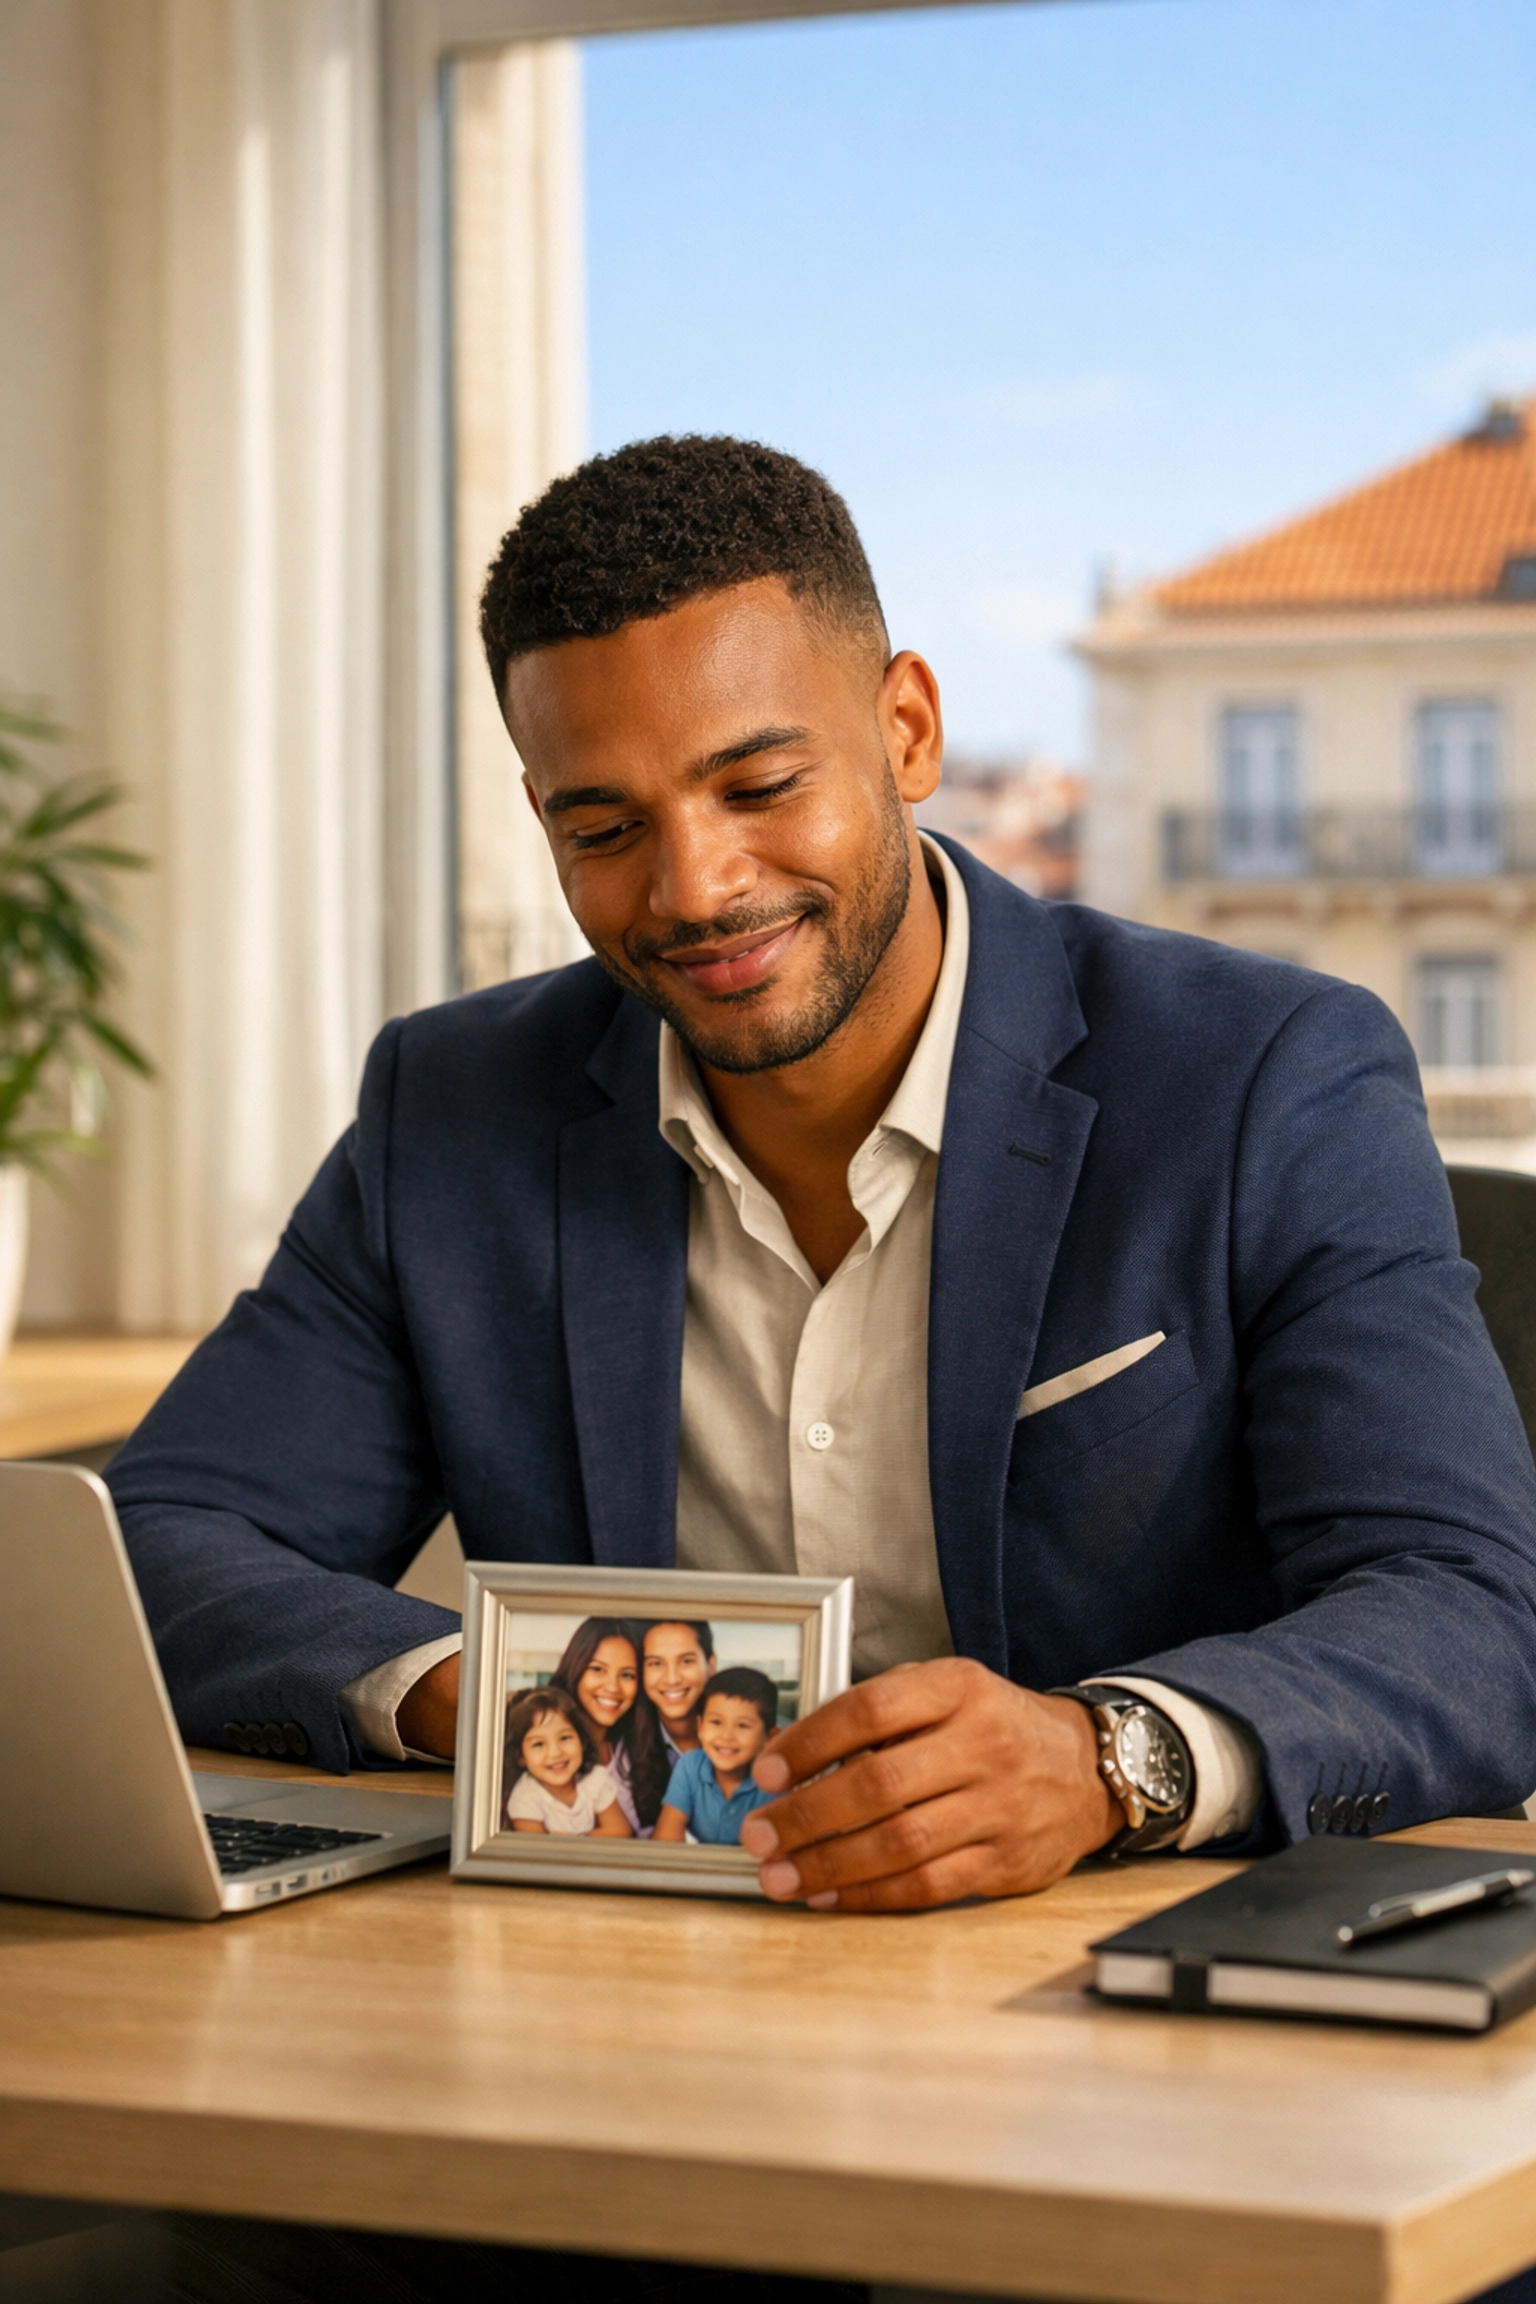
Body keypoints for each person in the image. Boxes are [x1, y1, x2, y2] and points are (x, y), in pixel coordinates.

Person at [108, 431, 1536, 1923]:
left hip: (1120, 1981)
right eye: (604, 828)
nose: (695, 888)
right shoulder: (452, 1113)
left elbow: (1469, 1617)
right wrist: (504, 1703)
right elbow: (163, 1543)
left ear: (907, 729)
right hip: (634, 1990)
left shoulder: (1263, 1078)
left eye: (759, 784)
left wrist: (1107, 1756)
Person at [547, 1618, 668, 1834]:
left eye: (627, 1675)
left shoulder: (634, 1750)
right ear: (575, 1669)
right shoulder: (550, 1756)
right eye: (598, 1669)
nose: (613, 1687)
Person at [655, 1668, 779, 1846]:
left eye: (742, 1725)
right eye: (716, 1722)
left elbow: (772, 1851)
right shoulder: (690, 1766)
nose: (726, 1736)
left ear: (770, 1737)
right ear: (700, 1727)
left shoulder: (772, 1783)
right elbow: (666, 1840)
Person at [502, 1684, 631, 1838]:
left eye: (564, 1738)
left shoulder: (595, 1780)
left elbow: (621, 1831)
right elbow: (537, 1852)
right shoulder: (524, 1798)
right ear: (520, 1756)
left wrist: (569, 1840)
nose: (555, 1753)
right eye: (538, 1744)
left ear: (582, 1741)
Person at [641, 1619, 718, 1760]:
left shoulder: (738, 1737)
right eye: (656, 1663)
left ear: (711, 1665)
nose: (672, 1679)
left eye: (686, 1661)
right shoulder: (624, 1748)